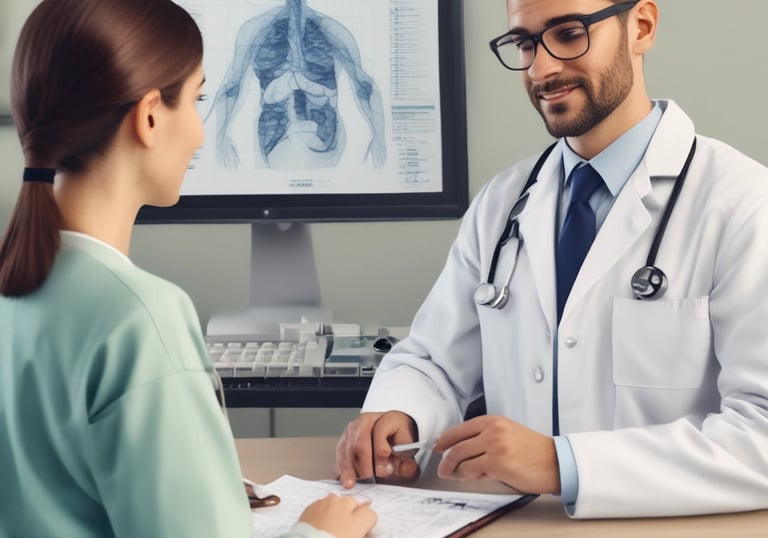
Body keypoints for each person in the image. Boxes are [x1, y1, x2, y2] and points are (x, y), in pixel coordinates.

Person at [336, 0, 768, 519]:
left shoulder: (742, 204)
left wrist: (565, 463)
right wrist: (399, 413)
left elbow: (761, 434)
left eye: (568, 34)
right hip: (518, 522)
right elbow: (433, 360)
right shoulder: (504, 202)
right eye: (524, 43)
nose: (541, 69)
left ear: (642, 27)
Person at [0, 1, 375, 537]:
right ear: (150, 116)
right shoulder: (139, 317)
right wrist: (320, 533)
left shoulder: (15, 289)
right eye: (197, 100)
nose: (201, 132)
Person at [209, 0, 387, 171]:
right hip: (280, 133)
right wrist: (221, 136)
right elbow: (232, 87)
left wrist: (379, 135)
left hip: (315, 134)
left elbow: (364, 85)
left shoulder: (331, 30)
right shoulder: (255, 30)